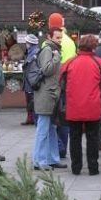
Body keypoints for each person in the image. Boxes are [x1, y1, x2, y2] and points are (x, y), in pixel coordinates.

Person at [59, 34, 101, 176]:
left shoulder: (69, 63)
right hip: (93, 106)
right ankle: (93, 168)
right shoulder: (99, 63)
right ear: (94, 46)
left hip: (73, 106)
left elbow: (61, 84)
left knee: (74, 137)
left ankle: (76, 168)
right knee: (93, 138)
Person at [32, 28, 66, 171]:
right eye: (57, 37)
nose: (60, 40)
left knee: (52, 128)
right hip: (46, 95)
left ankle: (52, 159)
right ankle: (39, 160)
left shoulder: (53, 49)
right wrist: (57, 58)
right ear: (49, 36)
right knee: (43, 129)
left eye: (60, 37)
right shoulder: (48, 50)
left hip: (52, 94)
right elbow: (47, 70)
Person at [48, 13, 76, 157]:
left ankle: (57, 147)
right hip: (68, 84)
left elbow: (47, 67)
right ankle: (63, 147)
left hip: (54, 84)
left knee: (52, 118)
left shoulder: (50, 41)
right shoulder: (70, 41)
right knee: (64, 117)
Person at [21, 34, 41, 126]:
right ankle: (31, 118)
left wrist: (32, 82)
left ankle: (34, 119)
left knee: (32, 102)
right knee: (30, 102)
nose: (26, 44)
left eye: (27, 42)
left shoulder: (35, 53)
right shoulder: (31, 52)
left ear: (30, 43)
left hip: (31, 83)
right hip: (30, 82)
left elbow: (33, 69)